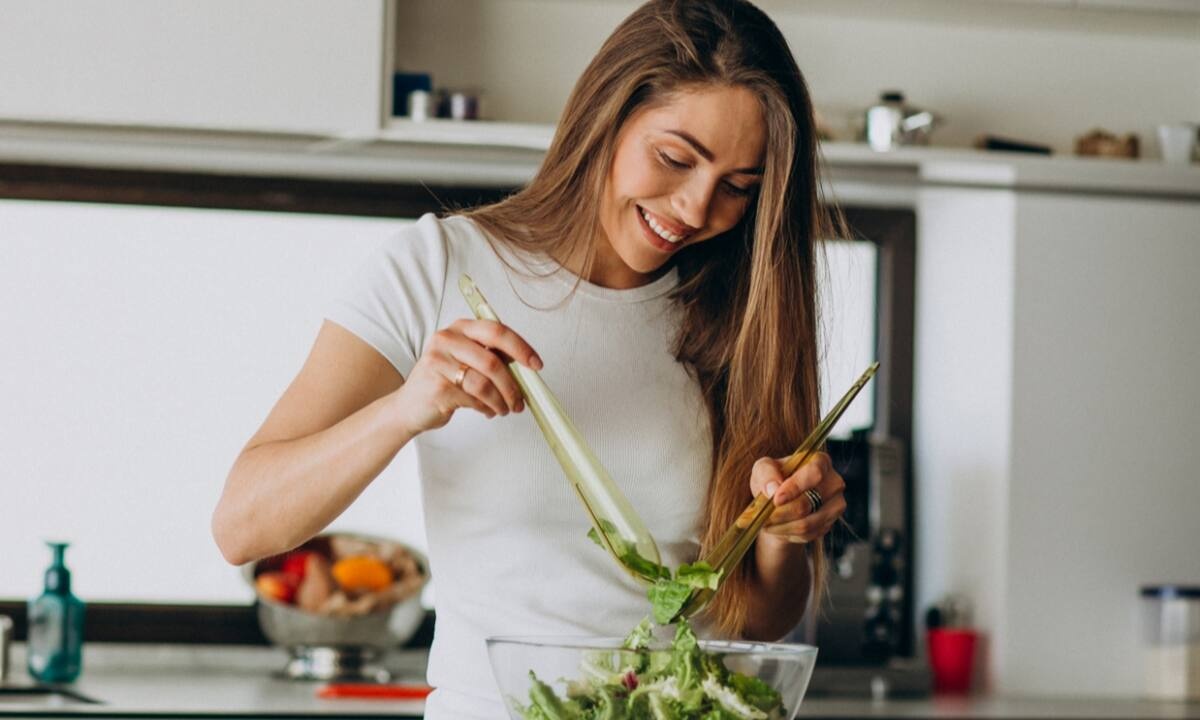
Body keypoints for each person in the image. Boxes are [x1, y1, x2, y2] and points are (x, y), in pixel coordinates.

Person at [212, 1, 849, 716]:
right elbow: (245, 526)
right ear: (606, 117)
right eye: (675, 159)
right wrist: (406, 408)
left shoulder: (742, 313)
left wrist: (784, 532)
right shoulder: (440, 266)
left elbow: (758, 620)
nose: (698, 209)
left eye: (739, 187)